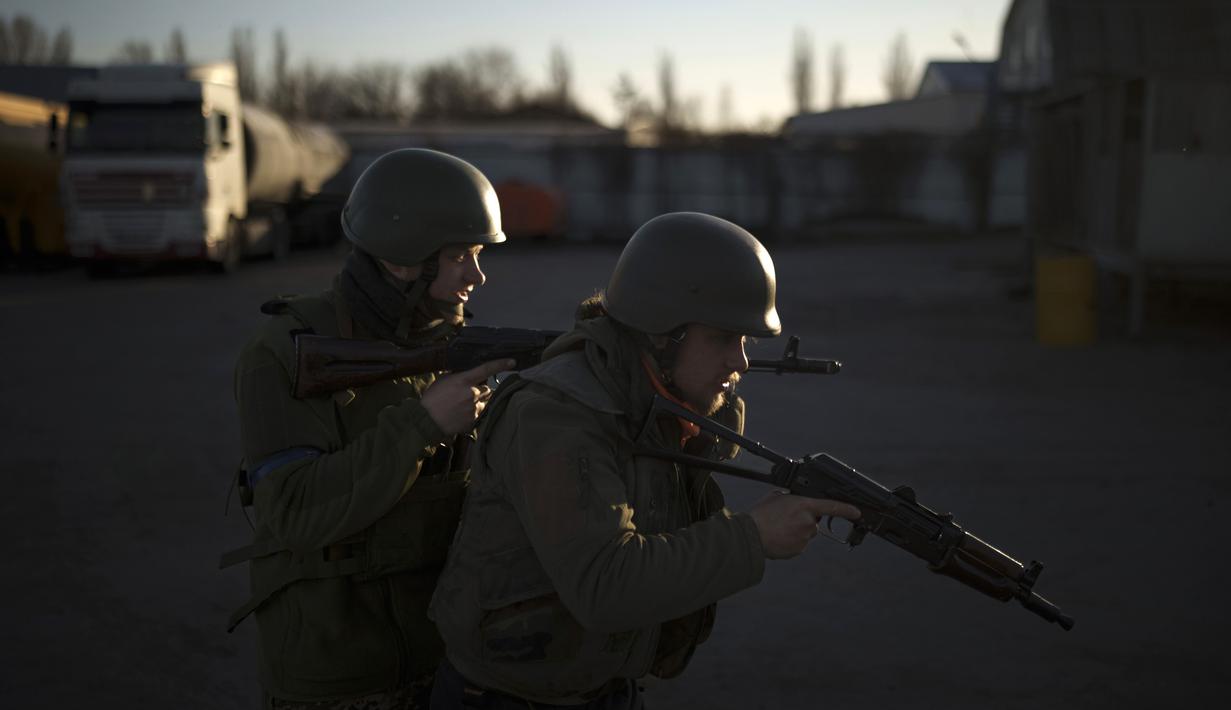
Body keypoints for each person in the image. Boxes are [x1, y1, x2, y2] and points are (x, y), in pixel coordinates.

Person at [428, 212, 861, 708]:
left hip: (600, 688)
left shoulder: (659, 403)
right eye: (722, 338)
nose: (740, 362)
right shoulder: (555, 414)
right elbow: (604, 585)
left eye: (745, 342)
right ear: (661, 333)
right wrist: (753, 536)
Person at [223, 148, 513, 710]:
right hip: (336, 677)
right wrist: (423, 423)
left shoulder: (444, 346)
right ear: (405, 260)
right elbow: (295, 512)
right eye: (461, 256)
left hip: (447, 661)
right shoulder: (284, 353)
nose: (478, 275)